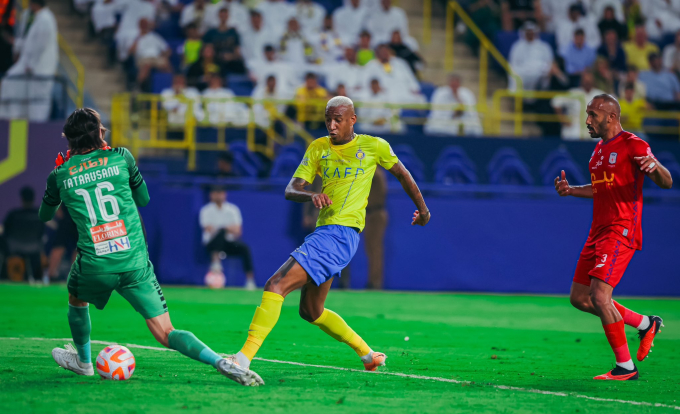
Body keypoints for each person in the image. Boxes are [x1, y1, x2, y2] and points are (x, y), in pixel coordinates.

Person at [41, 108, 263, 386]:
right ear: (100, 132)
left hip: (95, 263)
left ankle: (84, 362)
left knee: (77, 298)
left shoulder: (61, 174)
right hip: (135, 261)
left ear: (69, 140)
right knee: (166, 332)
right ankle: (219, 361)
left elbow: (45, 216)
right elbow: (143, 199)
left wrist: (58, 180)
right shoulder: (121, 157)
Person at [221, 96, 430, 386]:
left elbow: (403, 174)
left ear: (352, 120)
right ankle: (369, 355)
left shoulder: (374, 146)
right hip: (327, 234)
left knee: (275, 284)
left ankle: (241, 360)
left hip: (340, 234)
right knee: (311, 311)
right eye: (327, 120)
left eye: (338, 120)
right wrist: (311, 195)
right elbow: (292, 188)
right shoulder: (318, 148)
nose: (332, 125)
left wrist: (424, 210)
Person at [554, 94, 672, 380]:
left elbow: (666, 181)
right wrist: (571, 191)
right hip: (598, 230)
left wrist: (654, 169)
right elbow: (600, 189)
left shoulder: (634, 144)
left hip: (621, 228)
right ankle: (645, 323)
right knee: (580, 298)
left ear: (611, 117)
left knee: (599, 295)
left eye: (593, 115)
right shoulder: (598, 151)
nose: (587, 121)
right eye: (587, 114)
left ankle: (625, 367)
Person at [0, 0, 57, 122]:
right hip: (28, 66)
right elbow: (28, 41)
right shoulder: (30, 16)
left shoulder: (46, 19)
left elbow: (39, 45)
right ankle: (8, 118)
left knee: (38, 103)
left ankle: (38, 129)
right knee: (9, 82)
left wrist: (30, 64)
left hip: (40, 69)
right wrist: (17, 47)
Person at [200, 185, 256, 290]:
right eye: (215, 193)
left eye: (220, 193)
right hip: (211, 244)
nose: (218, 196)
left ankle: (250, 281)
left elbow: (238, 231)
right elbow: (207, 228)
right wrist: (226, 228)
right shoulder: (205, 210)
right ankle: (216, 263)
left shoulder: (233, 210)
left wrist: (222, 228)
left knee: (245, 248)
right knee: (221, 232)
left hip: (228, 243)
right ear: (211, 195)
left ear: (224, 194)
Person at [3, 186, 44, 282]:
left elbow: (6, 233)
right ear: (33, 198)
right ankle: (38, 279)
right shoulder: (39, 215)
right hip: (34, 248)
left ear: (21, 198)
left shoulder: (13, 215)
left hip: (14, 247)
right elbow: (41, 234)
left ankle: (4, 277)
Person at [551, 71, 605, 140]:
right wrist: (563, 119)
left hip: (595, 132)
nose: (587, 82)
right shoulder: (574, 92)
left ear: (593, 81)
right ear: (581, 81)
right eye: (585, 80)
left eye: (589, 80)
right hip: (574, 130)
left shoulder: (600, 94)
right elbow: (555, 101)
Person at [508, 21, 553, 91]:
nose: (530, 34)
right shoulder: (517, 46)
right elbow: (513, 63)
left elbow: (549, 62)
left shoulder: (544, 46)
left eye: (531, 32)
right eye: (528, 32)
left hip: (538, 72)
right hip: (522, 72)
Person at [129, 18, 171, 89]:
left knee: (166, 65)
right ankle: (137, 88)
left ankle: (170, 87)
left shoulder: (154, 36)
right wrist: (137, 39)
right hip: (143, 59)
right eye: (142, 24)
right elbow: (130, 52)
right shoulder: (135, 36)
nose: (144, 26)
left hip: (156, 58)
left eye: (145, 24)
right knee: (147, 65)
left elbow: (167, 49)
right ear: (139, 26)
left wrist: (165, 56)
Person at [203, 7, 246, 74]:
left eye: (225, 15)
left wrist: (231, 56)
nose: (223, 17)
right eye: (221, 15)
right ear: (218, 16)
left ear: (228, 16)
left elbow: (237, 51)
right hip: (216, 61)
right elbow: (207, 51)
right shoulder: (211, 32)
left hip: (231, 61)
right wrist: (219, 56)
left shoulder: (233, 32)